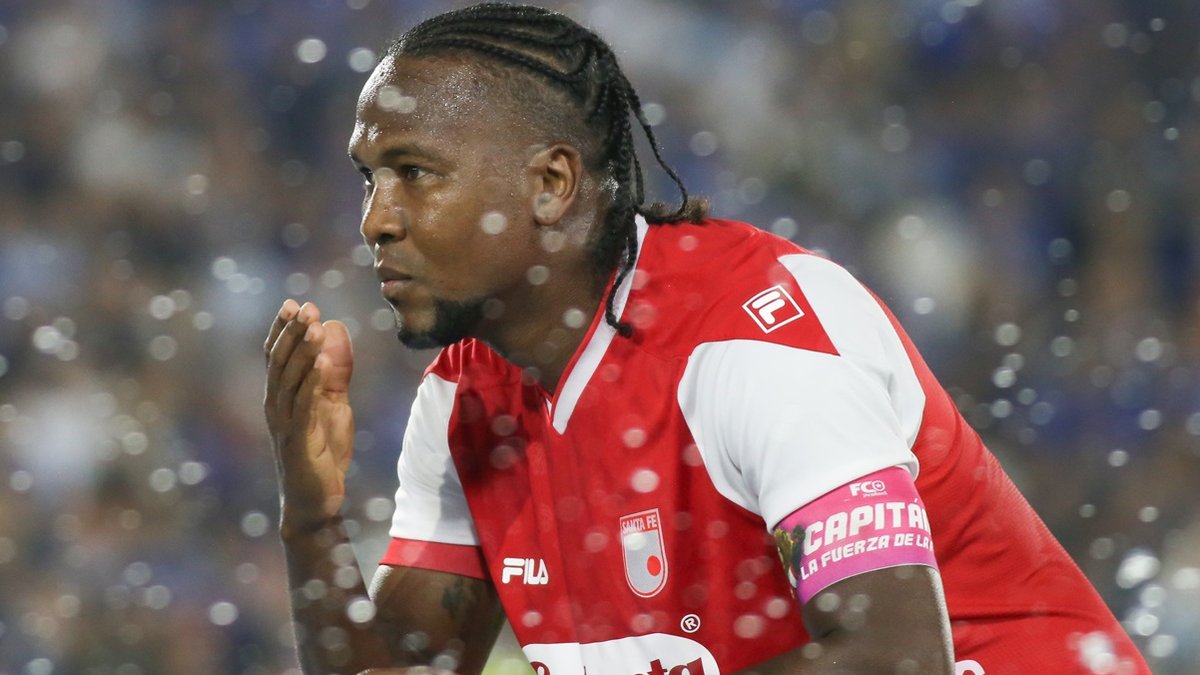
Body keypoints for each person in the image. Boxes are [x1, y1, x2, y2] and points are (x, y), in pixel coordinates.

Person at [262, 3, 1151, 674]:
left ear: (552, 183)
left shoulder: (756, 343)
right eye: (369, 178)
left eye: (414, 173)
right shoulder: (466, 400)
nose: (376, 220)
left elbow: (894, 657)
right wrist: (310, 518)